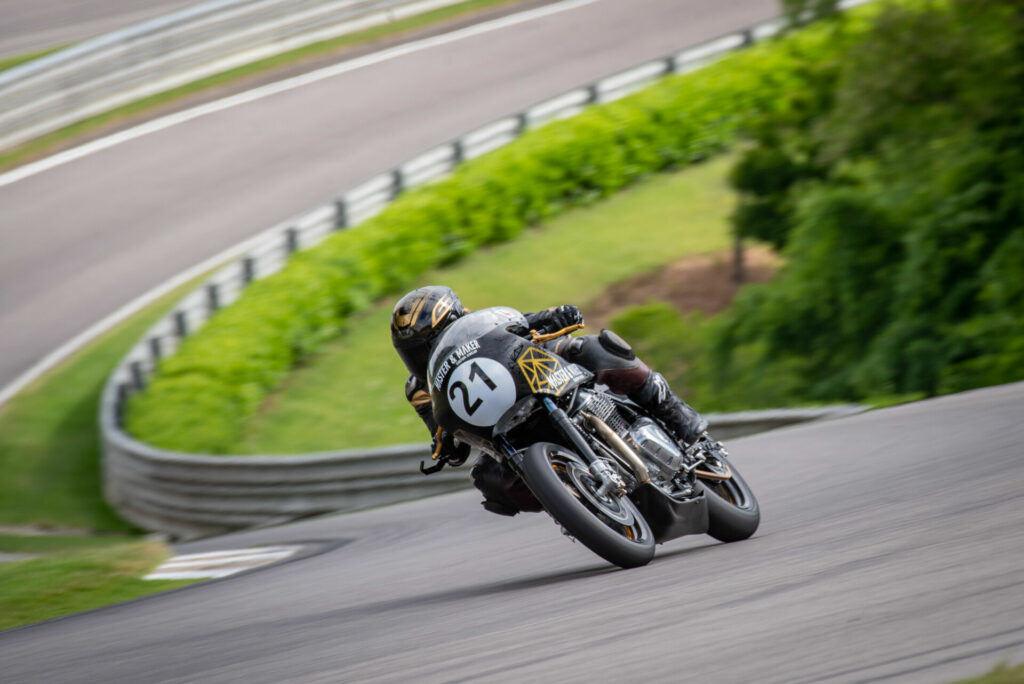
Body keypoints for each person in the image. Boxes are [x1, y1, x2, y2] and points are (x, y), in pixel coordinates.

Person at [390, 285, 712, 517]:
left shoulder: (486, 321)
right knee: (487, 481)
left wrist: (557, 315)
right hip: (500, 431)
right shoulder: (420, 389)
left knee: (593, 348)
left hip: (532, 371)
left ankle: (674, 413)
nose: (426, 355)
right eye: (416, 351)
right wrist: (444, 446)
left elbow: (528, 321)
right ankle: (573, 502)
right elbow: (443, 432)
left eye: (429, 343)